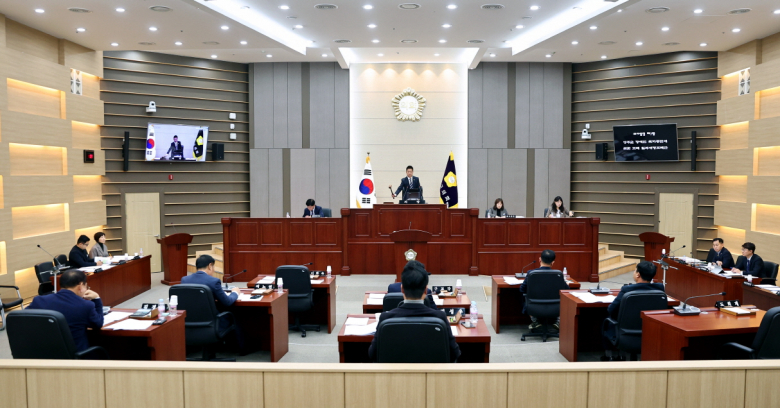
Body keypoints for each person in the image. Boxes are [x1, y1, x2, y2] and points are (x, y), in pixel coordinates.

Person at [368, 261, 460, 362]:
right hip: (431, 371)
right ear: (426, 290)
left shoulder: (386, 318)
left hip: (395, 372)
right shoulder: (439, 317)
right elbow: (454, 353)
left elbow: (373, 354)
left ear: (402, 289)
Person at [601, 261, 664, 361]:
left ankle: (609, 355)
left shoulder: (627, 290)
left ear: (638, 274)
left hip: (626, 331)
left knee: (606, 320)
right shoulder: (660, 289)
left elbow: (611, 309)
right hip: (650, 331)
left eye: (635, 270)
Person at [27, 270, 103, 352]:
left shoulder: (39, 300)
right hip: (76, 355)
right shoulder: (85, 305)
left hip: (45, 353)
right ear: (81, 286)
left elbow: (22, 318)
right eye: (86, 286)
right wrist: (97, 299)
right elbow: (98, 323)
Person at [519, 249, 561, 330]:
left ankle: (535, 320)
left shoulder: (531, 273)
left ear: (539, 259)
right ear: (553, 262)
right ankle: (557, 321)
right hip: (554, 307)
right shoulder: (558, 275)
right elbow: (566, 289)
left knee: (522, 296)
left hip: (534, 306)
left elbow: (522, 289)